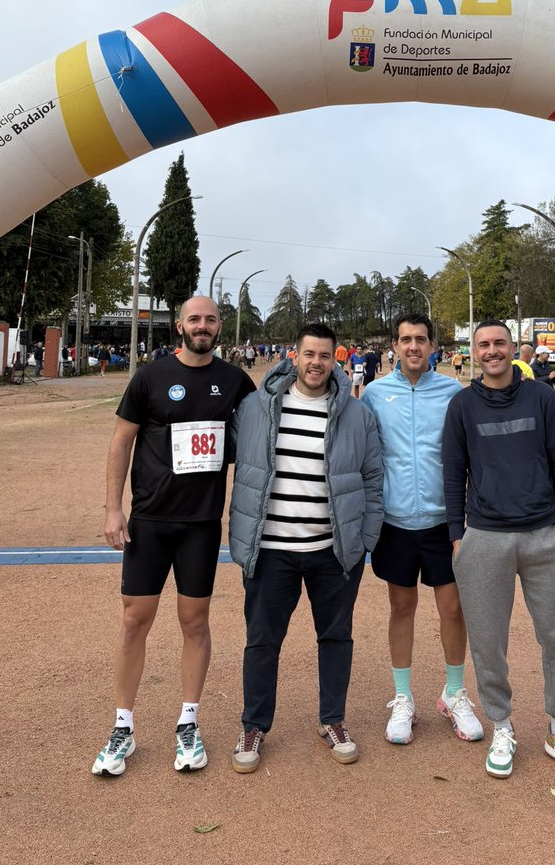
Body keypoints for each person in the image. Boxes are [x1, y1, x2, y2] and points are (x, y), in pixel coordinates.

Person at [91, 296, 256, 777]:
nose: (202, 326)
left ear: (219, 327)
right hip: (150, 521)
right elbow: (122, 440)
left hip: (201, 525)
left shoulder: (235, 381)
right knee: (134, 619)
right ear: (180, 325)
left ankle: (188, 722)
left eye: (210, 320)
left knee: (195, 622)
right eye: (194, 319)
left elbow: (259, 433)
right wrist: (112, 508)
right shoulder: (150, 376)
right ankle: (122, 726)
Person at [443, 320, 555, 783]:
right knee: (489, 641)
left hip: (544, 535)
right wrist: (458, 534)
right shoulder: (462, 405)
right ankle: (502, 726)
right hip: (485, 538)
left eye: (499, 344)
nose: (492, 351)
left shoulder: (541, 397)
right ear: (473, 352)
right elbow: (453, 473)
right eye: (483, 345)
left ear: (514, 349)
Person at [228, 322, 383, 774]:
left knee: (335, 638)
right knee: (262, 641)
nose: (316, 362)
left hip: (333, 552)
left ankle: (332, 719)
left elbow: (373, 477)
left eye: (325, 355)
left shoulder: (356, 413)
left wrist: (364, 540)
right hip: (270, 548)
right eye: (308, 354)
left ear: (337, 359)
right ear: (293, 357)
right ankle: (254, 725)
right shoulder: (256, 408)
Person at [361, 314, 484, 748]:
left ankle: (454, 692)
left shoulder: (453, 392)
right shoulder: (375, 394)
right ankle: (402, 697)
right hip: (395, 522)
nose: (413, 346)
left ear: (433, 346)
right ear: (394, 346)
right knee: (402, 607)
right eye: (406, 339)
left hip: (443, 521)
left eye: (421, 339)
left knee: (452, 608)